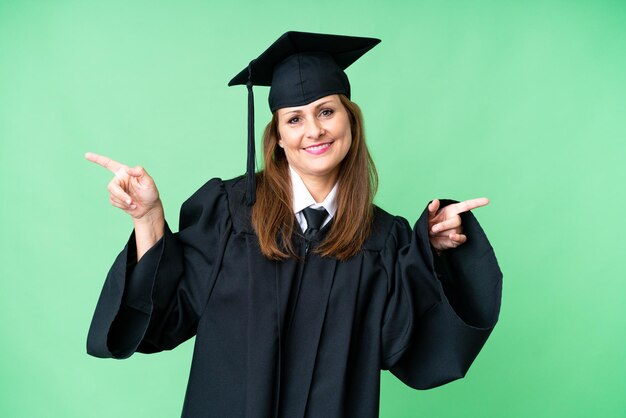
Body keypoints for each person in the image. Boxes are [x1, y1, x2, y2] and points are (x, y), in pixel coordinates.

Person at [86, 31, 502, 418]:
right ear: (278, 137)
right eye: (295, 119)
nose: (314, 130)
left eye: (326, 111)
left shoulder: (383, 240)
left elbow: (403, 345)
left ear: (351, 123)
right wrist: (148, 219)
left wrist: (431, 252)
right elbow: (167, 317)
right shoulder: (229, 215)